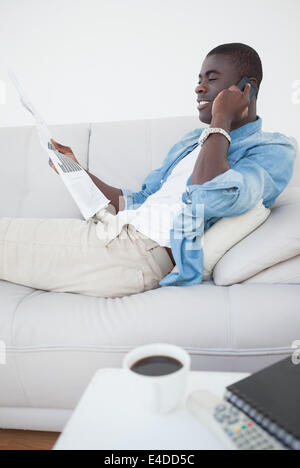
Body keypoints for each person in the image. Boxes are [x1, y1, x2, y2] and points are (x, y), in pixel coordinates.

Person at [0, 42, 296, 297]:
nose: (199, 87)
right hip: (116, 233)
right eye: (199, 78)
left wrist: (221, 119)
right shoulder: (192, 142)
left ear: (247, 88)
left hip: (140, 254)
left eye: (212, 78)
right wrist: (76, 170)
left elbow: (209, 195)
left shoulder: (272, 150)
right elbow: (135, 201)